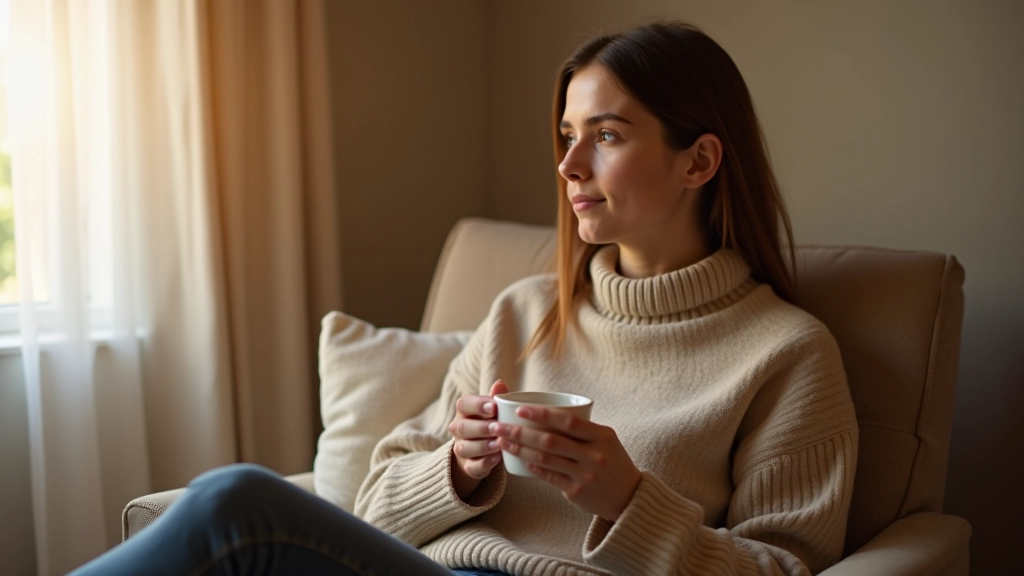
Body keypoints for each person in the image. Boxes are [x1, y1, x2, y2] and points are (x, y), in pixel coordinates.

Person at [71, 21, 857, 576]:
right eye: (568, 136)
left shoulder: (786, 354)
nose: (569, 165)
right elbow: (374, 502)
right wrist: (459, 468)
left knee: (237, 503)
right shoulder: (524, 314)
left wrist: (629, 502)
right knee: (232, 506)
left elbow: (785, 568)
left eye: (607, 135)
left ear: (699, 161)